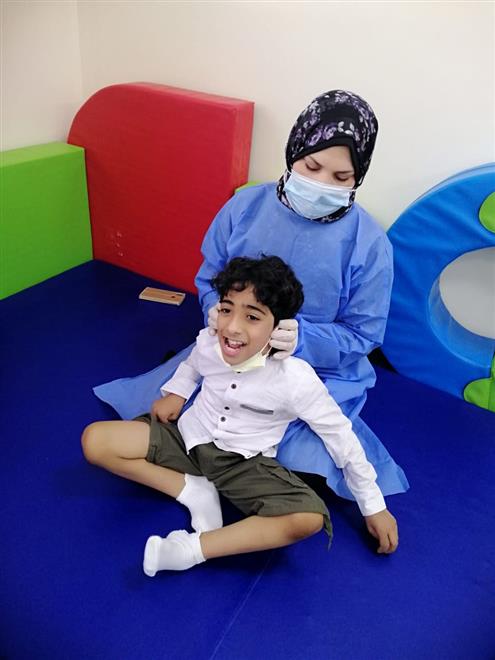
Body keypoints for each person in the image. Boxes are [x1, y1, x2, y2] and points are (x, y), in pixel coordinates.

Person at [94, 88, 408, 503]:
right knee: (178, 411)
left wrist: (303, 340)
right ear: (293, 152)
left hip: (317, 370)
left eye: (340, 178)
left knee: (302, 450)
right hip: (233, 348)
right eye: (312, 166)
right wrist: (217, 313)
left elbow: (363, 334)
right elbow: (211, 277)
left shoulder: (369, 244)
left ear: (359, 176)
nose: (320, 184)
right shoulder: (244, 207)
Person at [82, 256, 398, 576]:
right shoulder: (209, 341)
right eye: (226, 309)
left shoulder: (295, 379)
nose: (232, 327)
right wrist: (177, 392)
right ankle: (191, 489)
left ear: (279, 327)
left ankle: (192, 550)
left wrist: (373, 505)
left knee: (308, 519)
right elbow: (192, 364)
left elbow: (340, 435)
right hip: (188, 438)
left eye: (252, 316)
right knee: (96, 441)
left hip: (244, 463)